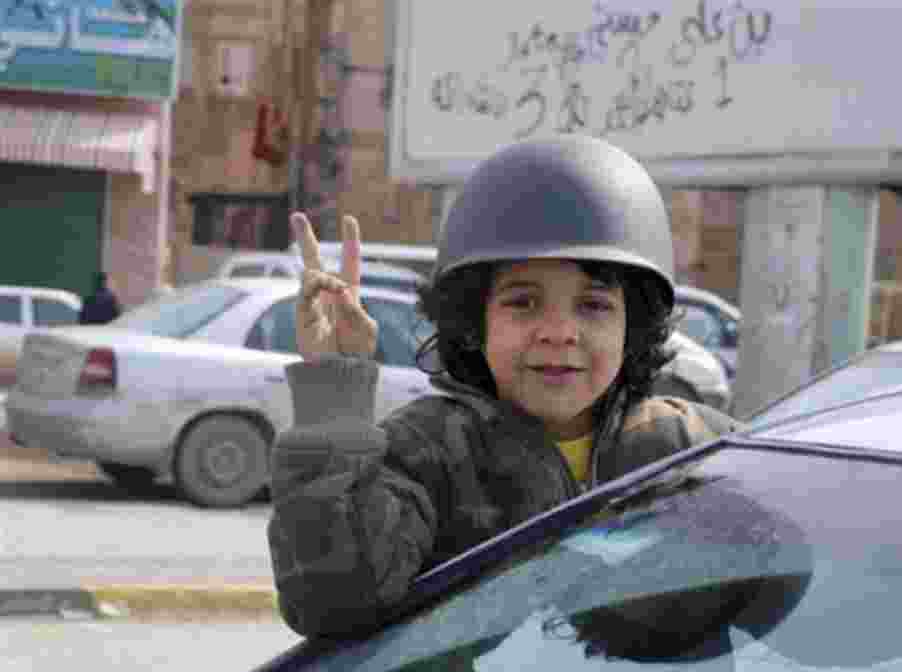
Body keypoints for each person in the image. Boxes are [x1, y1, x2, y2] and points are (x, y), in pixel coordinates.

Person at [267, 135, 745, 639]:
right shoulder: (427, 451)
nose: (559, 332)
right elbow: (335, 603)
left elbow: (792, 595)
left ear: (635, 326)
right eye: (524, 303)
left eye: (593, 306)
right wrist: (335, 392)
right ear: (475, 322)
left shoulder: (694, 449)